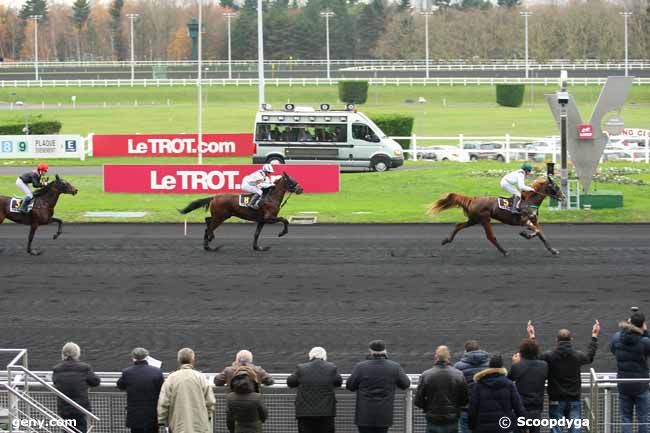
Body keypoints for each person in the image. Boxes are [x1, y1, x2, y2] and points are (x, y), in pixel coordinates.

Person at [529, 320, 600, 433]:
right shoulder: (577, 356)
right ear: (571, 340)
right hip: (574, 399)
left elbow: (536, 356)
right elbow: (589, 356)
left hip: (555, 399)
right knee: (575, 429)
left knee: (556, 429)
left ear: (556, 340)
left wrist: (532, 336)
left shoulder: (550, 356)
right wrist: (594, 336)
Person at [346, 340, 411, 433]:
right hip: (384, 416)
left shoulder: (360, 367)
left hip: (364, 416)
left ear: (370, 351)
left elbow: (350, 386)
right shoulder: (394, 367)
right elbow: (405, 384)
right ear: (385, 351)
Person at [157, 348, 216, 433]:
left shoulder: (171, 379)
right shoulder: (201, 378)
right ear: (193, 360)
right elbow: (210, 401)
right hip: (199, 426)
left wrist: (161, 421)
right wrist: (207, 416)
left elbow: (163, 402)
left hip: (178, 426)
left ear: (178, 360)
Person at [287, 346, 343, 433]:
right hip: (326, 413)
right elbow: (338, 382)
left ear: (310, 356)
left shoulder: (301, 368)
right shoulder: (331, 367)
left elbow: (290, 382)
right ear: (324, 356)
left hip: (305, 413)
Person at [610, 311, 650, 433]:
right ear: (643, 324)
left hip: (623, 383)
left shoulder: (617, 337)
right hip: (641, 384)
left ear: (629, 322)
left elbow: (613, 350)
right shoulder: (644, 341)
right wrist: (646, 332)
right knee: (643, 418)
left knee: (625, 418)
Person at [415, 345, 468, 433]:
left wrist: (427, 408)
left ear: (436, 356)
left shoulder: (426, 375)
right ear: (449, 357)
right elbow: (465, 399)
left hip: (432, 416)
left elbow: (418, 400)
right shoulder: (458, 374)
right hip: (452, 417)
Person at [468, 354, 525, 433]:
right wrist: (524, 425)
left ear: (489, 367)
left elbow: (473, 409)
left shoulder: (478, 385)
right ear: (502, 367)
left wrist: (472, 426)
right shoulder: (509, 384)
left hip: (483, 428)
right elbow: (518, 407)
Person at [52, 342, 101, 433]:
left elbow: (56, 382)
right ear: (77, 353)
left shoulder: (57, 369)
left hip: (64, 407)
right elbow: (95, 382)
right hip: (80, 408)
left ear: (63, 354)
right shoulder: (84, 367)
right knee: (81, 429)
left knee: (67, 430)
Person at [117, 347, 164, 433]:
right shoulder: (157, 371)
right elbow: (162, 388)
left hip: (135, 414)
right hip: (152, 413)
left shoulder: (127, 372)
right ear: (147, 357)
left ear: (133, 358)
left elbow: (120, 385)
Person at [509, 339, 548, 433]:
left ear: (521, 352)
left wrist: (515, 363)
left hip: (520, 407)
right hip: (536, 407)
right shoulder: (544, 365)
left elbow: (509, 379)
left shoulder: (517, 366)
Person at [454, 340, 489, 433]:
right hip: (484, 408)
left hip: (465, 409)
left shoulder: (458, 367)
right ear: (479, 349)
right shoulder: (489, 366)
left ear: (465, 351)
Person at [226, 365, 269, 433]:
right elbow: (264, 415)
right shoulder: (257, 397)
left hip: (238, 429)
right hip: (255, 429)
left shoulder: (230, 397)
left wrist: (232, 430)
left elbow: (229, 418)